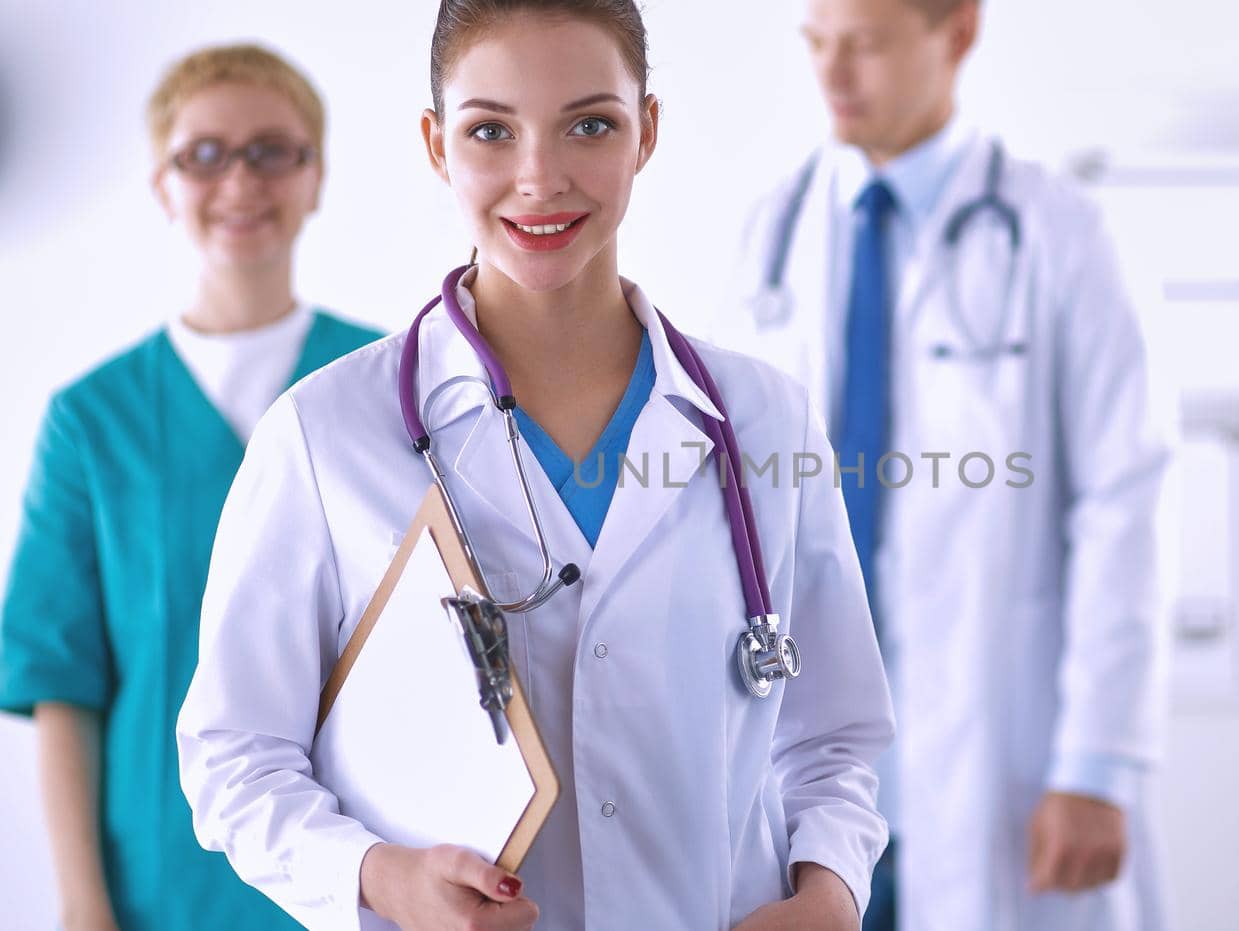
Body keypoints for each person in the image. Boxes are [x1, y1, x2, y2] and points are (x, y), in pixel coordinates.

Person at [174, 2, 894, 929]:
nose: (539, 178)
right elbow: (234, 757)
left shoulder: (761, 420)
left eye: (590, 124)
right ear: (437, 145)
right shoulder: (324, 435)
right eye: (490, 131)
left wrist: (830, 891)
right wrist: (379, 875)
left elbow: (835, 740)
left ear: (648, 132)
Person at [720, 1, 1175, 929]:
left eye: (867, 45)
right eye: (817, 44)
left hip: (1001, 745)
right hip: (811, 756)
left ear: (957, 32)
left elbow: (1125, 502)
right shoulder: (776, 235)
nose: (833, 76)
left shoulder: (1058, 234)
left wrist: (1098, 764)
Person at [0, 44, 382, 931]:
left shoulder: (388, 386)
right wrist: (82, 903)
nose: (239, 181)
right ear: (162, 185)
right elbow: (66, 683)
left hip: (362, 870)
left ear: (315, 175)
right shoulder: (93, 420)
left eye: (271, 150)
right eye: (203, 154)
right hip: (161, 880)